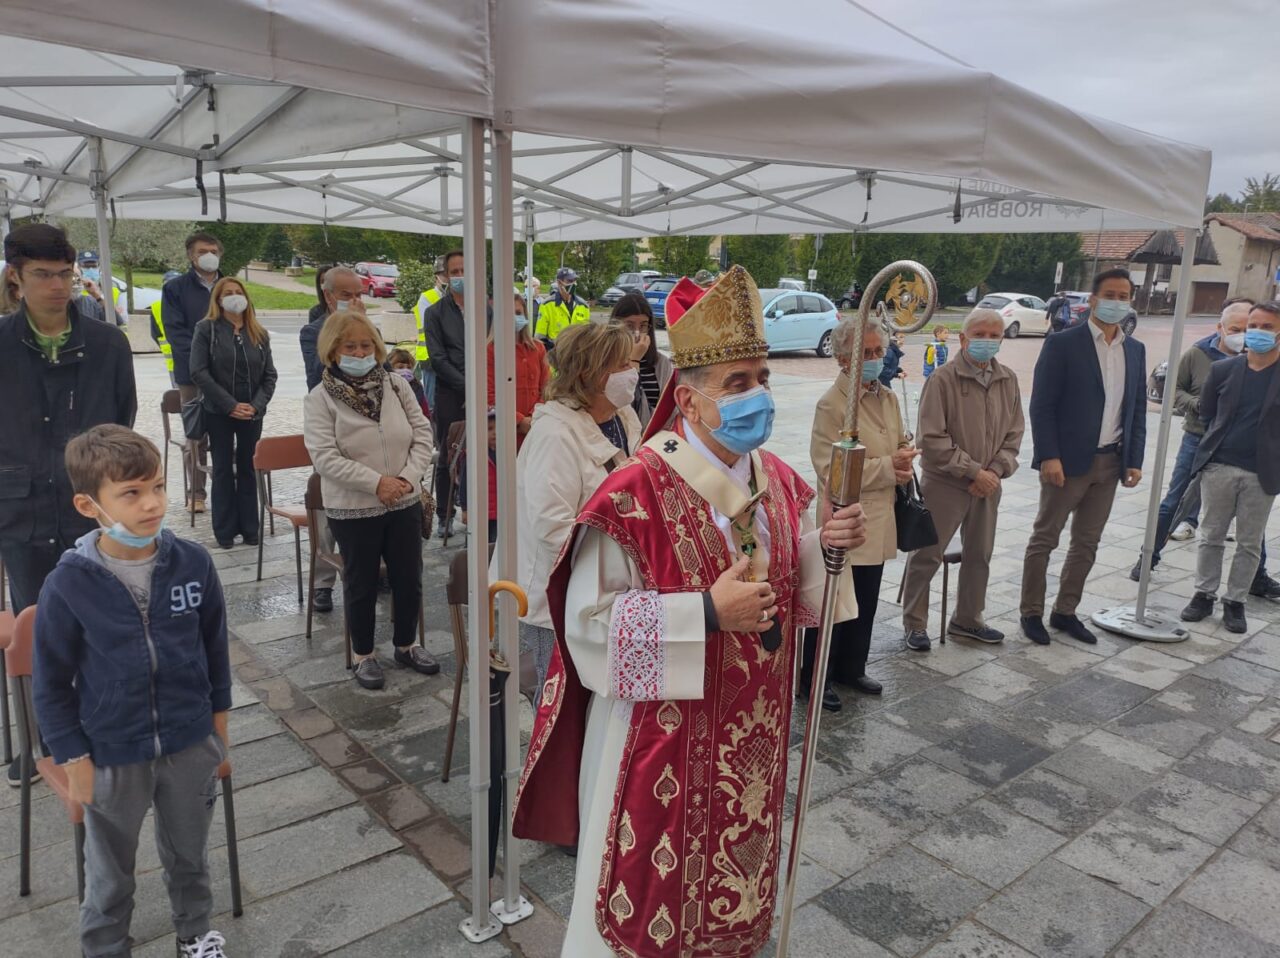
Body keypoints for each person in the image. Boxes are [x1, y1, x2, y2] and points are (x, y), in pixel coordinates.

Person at [512, 266, 865, 958]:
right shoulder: (633, 494)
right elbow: (586, 629)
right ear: (691, 400)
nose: (757, 396)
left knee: (738, 886)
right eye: (737, 384)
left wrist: (824, 545)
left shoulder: (782, 483)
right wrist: (702, 613)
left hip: (752, 739)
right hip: (661, 742)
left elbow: (793, 591)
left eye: (762, 377)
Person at [33, 425, 231, 958]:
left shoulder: (193, 563)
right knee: (110, 871)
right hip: (111, 751)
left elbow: (215, 649)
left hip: (189, 743)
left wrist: (218, 728)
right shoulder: (69, 583)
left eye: (159, 487)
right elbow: (49, 684)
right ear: (88, 504)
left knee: (190, 855)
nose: (153, 504)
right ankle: (104, 946)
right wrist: (73, 757)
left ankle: (195, 934)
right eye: (132, 493)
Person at [0, 224, 138, 786]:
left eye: (65, 274)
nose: (58, 286)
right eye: (43, 275)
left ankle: (106, 726)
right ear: (16, 277)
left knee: (105, 623)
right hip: (23, 512)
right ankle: (42, 739)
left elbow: (123, 418)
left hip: (94, 510)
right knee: (38, 628)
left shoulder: (107, 342)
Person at [303, 309, 437, 690]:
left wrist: (406, 479)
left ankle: (407, 645)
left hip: (404, 500)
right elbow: (324, 457)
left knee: (408, 577)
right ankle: (364, 654)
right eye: (350, 346)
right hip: (353, 506)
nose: (360, 353)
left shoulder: (397, 385)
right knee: (360, 582)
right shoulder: (320, 399)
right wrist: (376, 482)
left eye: (366, 345)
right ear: (332, 350)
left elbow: (422, 433)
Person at [514, 321, 641, 690]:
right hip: (560, 596)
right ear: (590, 374)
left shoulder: (620, 416)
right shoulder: (555, 434)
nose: (631, 374)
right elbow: (554, 528)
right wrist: (622, 550)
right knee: (559, 700)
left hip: (609, 590)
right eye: (621, 366)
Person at [1021, 268, 1145, 646]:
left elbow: (1136, 408)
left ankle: (1065, 610)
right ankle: (1031, 612)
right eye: (1110, 294)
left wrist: (1134, 459)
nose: (1116, 302)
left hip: (1110, 462)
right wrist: (1049, 456)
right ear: (1092, 300)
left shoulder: (1134, 350)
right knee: (1045, 539)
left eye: (1124, 296)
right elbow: (1042, 406)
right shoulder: (1063, 344)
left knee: (1087, 542)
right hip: (1067, 462)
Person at [1128, 299, 1280, 591]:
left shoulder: (1264, 363)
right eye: (1239, 328)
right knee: (1176, 501)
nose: (1244, 334)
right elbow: (1173, 388)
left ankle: (1256, 576)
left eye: (1250, 327)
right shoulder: (1198, 355)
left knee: (1251, 519)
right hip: (1200, 439)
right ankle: (1148, 557)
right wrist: (1195, 405)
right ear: (1221, 328)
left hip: (1246, 452)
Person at [806, 319, 915, 709]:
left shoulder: (887, 397)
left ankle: (853, 668)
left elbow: (898, 440)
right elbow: (830, 468)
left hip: (880, 516)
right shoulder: (832, 405)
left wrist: (904, 457)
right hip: (845, 518)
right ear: (841, 357)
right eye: (864, 353)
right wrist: (889, 466)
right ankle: (817, 677)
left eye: (877, 352)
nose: (873, 359)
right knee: (834, 605)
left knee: (867, 599)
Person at [902, 308, 1024, 650]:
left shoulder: (1008, 379)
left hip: (989, 484)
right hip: (945, 484)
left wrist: (995, 471)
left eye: (994, 335)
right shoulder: (942, 379)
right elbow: (931, 440)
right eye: (980, 335)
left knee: (979, 554)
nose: (987, 341)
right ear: (963, 338)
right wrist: (973, 472)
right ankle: (915, 623)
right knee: (927, 553)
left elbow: (1014, 434)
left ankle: (968, 619)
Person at [1181, 302, 1280, 634]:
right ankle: (1203, 594)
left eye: (1267, 327)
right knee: (1211, 535)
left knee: (1250, 543)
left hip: (1262, 472)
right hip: (1219, 466)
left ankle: (1235, 601)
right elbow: (1207, 412)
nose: (1257, 333)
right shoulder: (1223, 370)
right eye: (1253, 325)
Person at [188, 278, 278, 550]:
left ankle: (251, 528)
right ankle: (225, 531)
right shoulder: (206, 329)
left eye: (238, 292)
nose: (234, 296)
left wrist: (256, 405)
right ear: (218, 299)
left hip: (252, 413)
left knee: (250, 468)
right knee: (224, 469)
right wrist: (229, 404)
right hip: (219, 411)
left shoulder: (258, 333)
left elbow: (269, 375)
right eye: (228, 293)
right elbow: (198, 371)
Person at [157, 232, 223, 512]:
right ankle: (196, 493)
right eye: (203, 251)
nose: (209, 255)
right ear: (190, 255)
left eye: (213, 250)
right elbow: (176, 333)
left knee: (225, 433)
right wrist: (203, 362)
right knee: (196, 435)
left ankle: (226, 490)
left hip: (228, 375)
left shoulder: (230, 286)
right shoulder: (175, 289)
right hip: (192, 375)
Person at [423, 249, 474, 538]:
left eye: (464, 270)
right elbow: (438, 359)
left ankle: (477, 508)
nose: (459, 277)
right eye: (454, 272)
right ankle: (444, 514)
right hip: (450, 393)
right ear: (445, 276)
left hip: (484, 391)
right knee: (448, 454)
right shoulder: (435, 313)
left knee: (482, 453)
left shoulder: (487, 309)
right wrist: (467, 385)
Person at [487, 290, 549, 449]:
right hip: (504, 429)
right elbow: (488, 395)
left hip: (536, 426)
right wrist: (519, 420)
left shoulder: (538, 348)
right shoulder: (490, 350)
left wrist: (534, 417)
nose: (514, 318)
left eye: (518, 313)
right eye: (509, 313)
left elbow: (547, 388)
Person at [610, 291, 673, 429]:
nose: (637, 333)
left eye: (643, 326)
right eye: (630, 326)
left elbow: (669, 409)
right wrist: (634, 360)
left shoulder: (661, 363)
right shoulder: (606, 362)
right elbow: (621, 403)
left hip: (654, 438)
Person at [301, 265, 363, 392]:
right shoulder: (312, 332)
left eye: (358, 295)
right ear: (328, 296)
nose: (354, 301)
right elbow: (316, 378)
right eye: (346, 295)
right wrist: (342, 325)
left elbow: (384, 368)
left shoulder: (369, 329)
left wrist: (362, 324)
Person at [413, 255, 448, 404]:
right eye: (444, 275)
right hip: (431, 358)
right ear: (437, 277)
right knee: (432, 403)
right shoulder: (427, 297)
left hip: (451, 359)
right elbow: (434, 326)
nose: (449, 279)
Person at [534, 266, 590, 354]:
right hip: (555, 359)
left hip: (576, 360)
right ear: (559, 283)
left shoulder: (583, 306)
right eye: (569, 281)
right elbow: (539, 338)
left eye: (574, 281)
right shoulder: (547, 305)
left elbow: (587, 337)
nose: (573, 284)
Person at [389, 347, 432, 418]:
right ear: (390, 368)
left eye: (409, 367)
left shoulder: (417, 387)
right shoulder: (385, 386)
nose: (405, 370)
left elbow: (425, 413)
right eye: (400, 367)